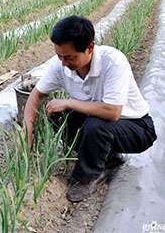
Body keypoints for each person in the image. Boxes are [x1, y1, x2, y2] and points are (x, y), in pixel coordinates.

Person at [24, 15, 156, 202]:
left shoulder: (113, 62)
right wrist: (27, 133)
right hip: (103, 123)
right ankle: (107, 158)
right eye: (59, 56)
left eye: (69, 57)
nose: (63, 63)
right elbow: (36, 95)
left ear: (90, 48)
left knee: (96, 124)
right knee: (57, 114)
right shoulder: (61, 64)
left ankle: (88, 177)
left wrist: (69, 102)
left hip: (136, 127)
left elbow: (112, 112)